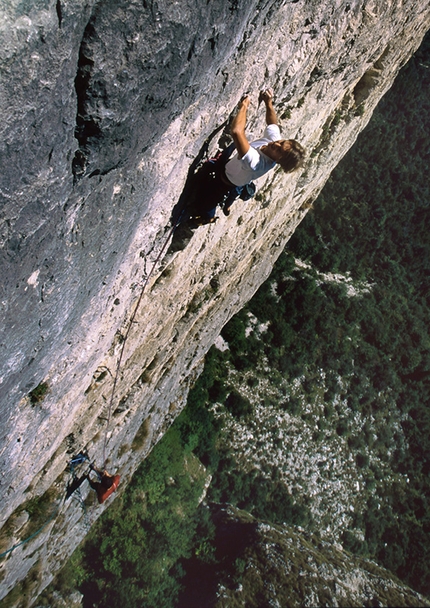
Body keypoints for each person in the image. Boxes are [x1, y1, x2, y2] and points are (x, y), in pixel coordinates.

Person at [187, 89, 305, 224]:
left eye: (280, 150)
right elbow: (273, 124)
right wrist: (268, 103)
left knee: (206, 204)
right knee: (235, 186)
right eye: (282, 142)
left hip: (225, 181)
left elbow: (237, 131)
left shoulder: (256, 163)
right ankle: (229, 204)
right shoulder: (275, 143)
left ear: (278, 161)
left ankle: (208, 217)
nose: (276, 144)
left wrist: (244, 106)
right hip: (237, 173)